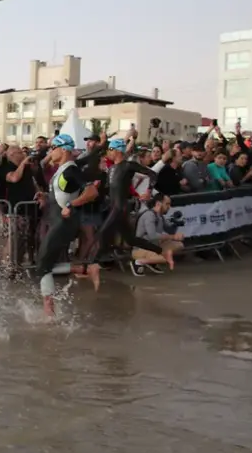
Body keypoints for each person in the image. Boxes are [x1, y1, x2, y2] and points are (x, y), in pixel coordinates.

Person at [33, 135, 101, 317]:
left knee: (43, 265)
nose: (50, 151)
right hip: (57, 221)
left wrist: (72, 205)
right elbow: (63, 195)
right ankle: (86, 269)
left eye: (53, 147)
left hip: (65, 223)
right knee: (43, 265)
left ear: (64, 149)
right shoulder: (61, 170)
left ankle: (49, 312)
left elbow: (92, 191)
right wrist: (45, 197)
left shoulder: (71, 170)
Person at [92, 138, 164, 263]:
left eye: (110, 149)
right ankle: (159, 251)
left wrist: (148, 191)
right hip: (113, 206)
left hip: (120, 207)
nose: (108, 152)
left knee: (102, 233)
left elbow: (152, 174)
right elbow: (110, 189)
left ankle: (92, 264)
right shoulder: (112, 168)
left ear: (118, 151)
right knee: (130, 239)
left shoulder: (128, 165)